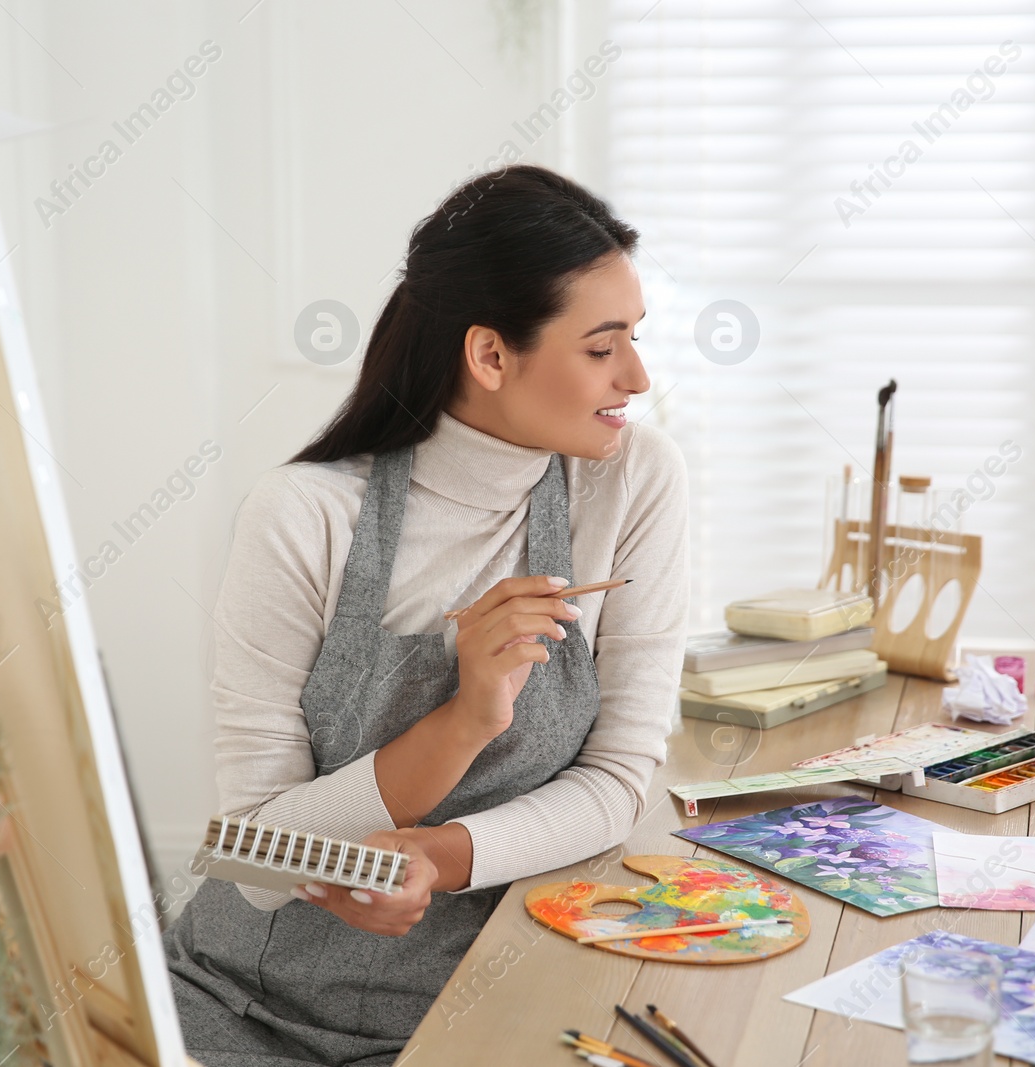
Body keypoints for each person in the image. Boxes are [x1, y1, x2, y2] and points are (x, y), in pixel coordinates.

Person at [162, 163, 689, 1066]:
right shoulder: (305, 515)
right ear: (489, 356)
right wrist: (465, 719)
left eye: (635, 339)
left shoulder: (630, 480)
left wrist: (440, 857)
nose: (636, 376)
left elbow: (619, 784)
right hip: (248, 1001)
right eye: (602, 348)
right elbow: (254, 860)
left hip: (483, 1003)